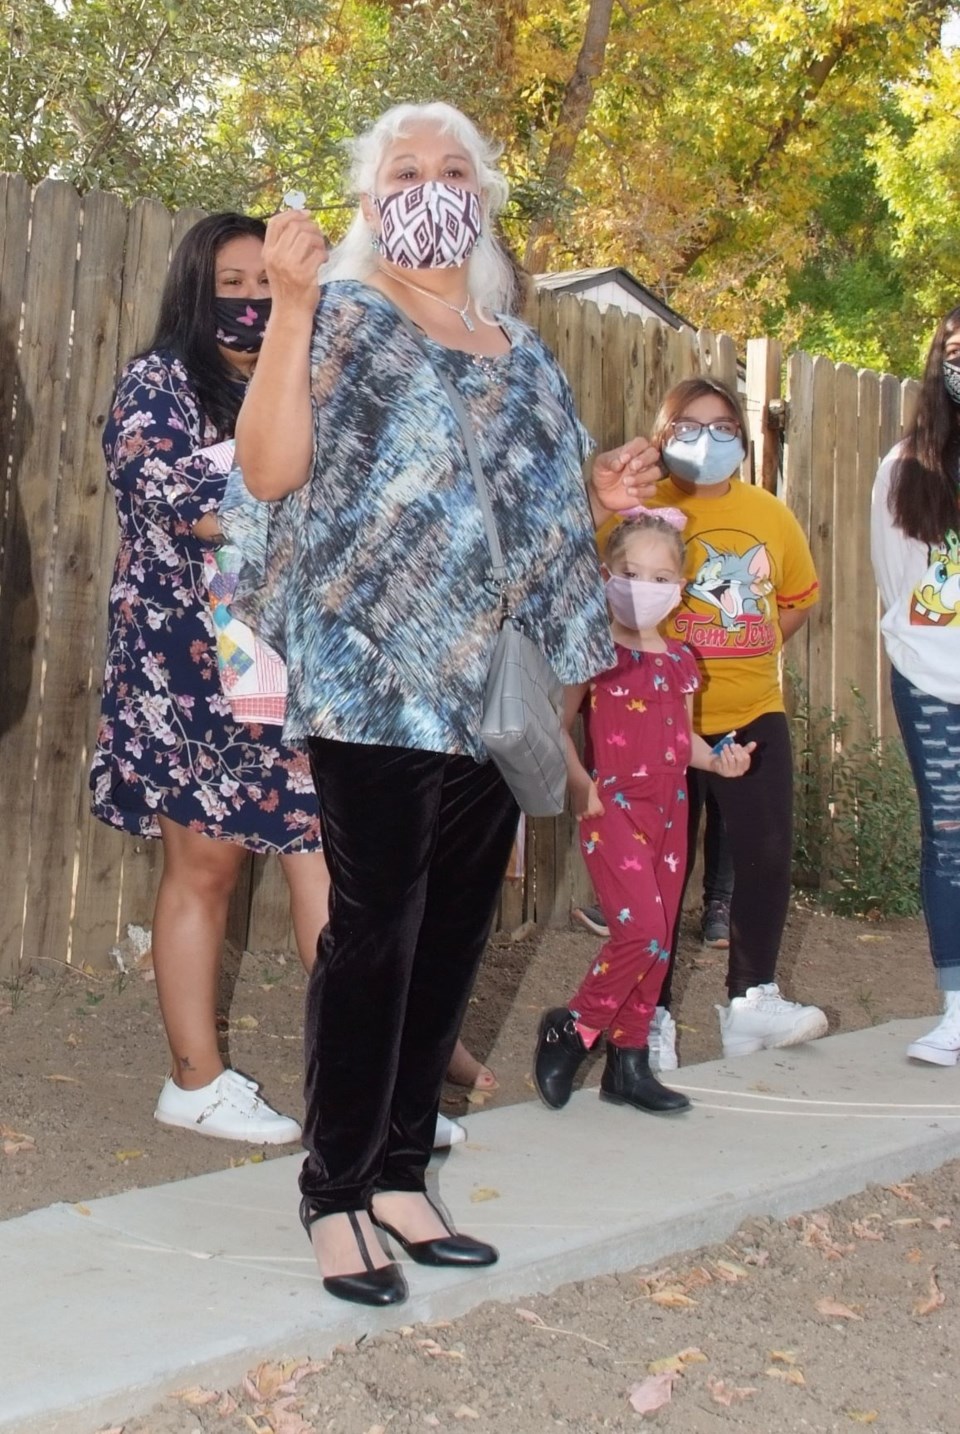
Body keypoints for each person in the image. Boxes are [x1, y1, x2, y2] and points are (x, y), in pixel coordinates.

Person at [229, 100, 661, 1307]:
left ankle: (404, 1174)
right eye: (406, 170)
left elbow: (509, 515)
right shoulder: (346, 319)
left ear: (485, 196)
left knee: (459, 925)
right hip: (375, 676)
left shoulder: (520, 347)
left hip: (495, 688)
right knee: (374, 932)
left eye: (453, 168)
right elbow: (270, 470)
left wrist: (597, 486)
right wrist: (297, 303)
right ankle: (334, 1190)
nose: (431, 185)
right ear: (372, 204)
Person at [593, 377, 827, 1062]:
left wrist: (751, 648)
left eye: (724, 426)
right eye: (690, 427)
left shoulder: (770, 514)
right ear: (663, 438)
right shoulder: (637, 516)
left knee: (766, 854)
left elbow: (799, 597)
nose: (709, 439)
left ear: (744, 439)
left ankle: (752, 1000)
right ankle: (650, 1014)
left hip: (753, 712)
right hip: (653, 725)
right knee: (663, 869)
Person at [533, 510, 755, 1113]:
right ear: (606, 574)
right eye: (631, 573)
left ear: (679, 587)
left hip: (672, 811)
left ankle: (628, 1064)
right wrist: (580, 784)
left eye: (660, 577)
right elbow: (555, 727)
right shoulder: (593, 650)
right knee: (644, 932)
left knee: (659, 944)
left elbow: (686, 743)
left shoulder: (681, 657)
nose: (644, 587)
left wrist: (722, 762)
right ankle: (575, 1026)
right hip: (613, 807)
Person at [871, 304, 960, 1065]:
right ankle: (957, 1009)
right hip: (936, 684)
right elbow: (897, 589)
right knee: (950, 839)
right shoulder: (906, 467)